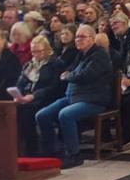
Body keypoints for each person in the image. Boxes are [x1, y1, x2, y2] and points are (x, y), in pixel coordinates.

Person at [36, 22, 113, 166]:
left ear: (91, 39)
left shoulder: (99, 55)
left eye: (82, 37)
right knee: (42, 115)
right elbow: (69, 71)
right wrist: (70, 75)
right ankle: (54, 151)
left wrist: (69, 76)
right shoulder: (81, 55)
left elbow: (85, 75)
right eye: (77, 37)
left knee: (65, 114)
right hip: (74, 97)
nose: (78, 40)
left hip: (93, 100)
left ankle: (74, 154)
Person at [14, 33, 64, 153]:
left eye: (39, 51)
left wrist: (34, 95)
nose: (35, 55)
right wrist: (18, 95)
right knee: (13, 112)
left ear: (47, 50)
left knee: (27, 114)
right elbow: (21, 82)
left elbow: (54, 87)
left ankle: (33, 150)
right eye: (33, 51)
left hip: (46, 98)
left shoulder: (56, 64)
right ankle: (17, 150)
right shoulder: (29, 65)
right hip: (28, 98)